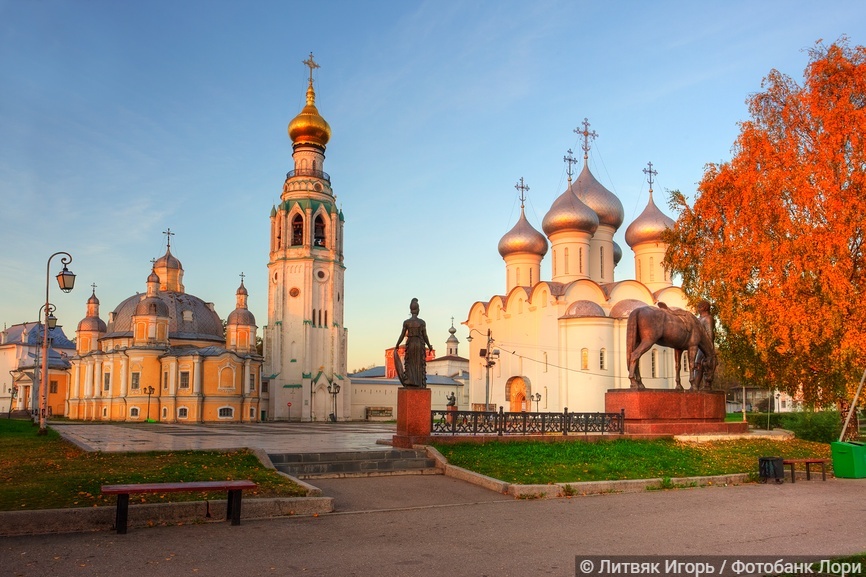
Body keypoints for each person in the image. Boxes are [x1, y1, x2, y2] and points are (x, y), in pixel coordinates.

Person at [394, 298, 433, 388]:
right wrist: (429, 345)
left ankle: (410, 380)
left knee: (410, 363)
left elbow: (402, 335)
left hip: (410, 343)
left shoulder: (406, 322)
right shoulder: (422, 322)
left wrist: (397, 344)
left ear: (411, 310)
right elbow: (425, 336)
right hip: (419, 344)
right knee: (418, 363)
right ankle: (418, 382)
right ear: (418, 310)